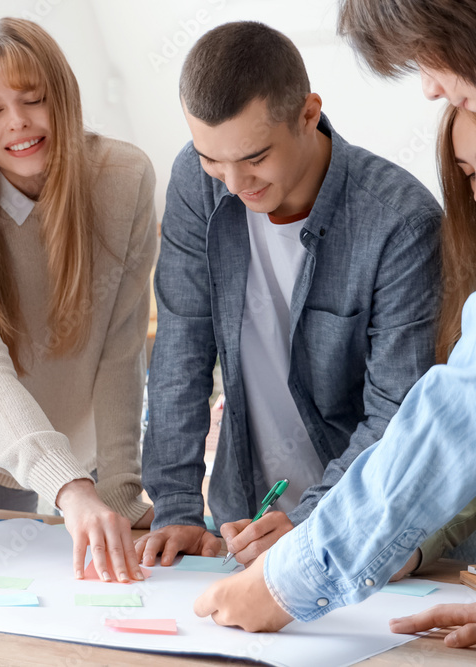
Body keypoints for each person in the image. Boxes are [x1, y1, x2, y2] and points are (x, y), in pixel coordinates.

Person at [194, 1, 476, 648]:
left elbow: (444, 416)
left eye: (430, 58)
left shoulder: (399, 220)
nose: (430, 87)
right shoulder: (199, 184)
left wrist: (287, 582)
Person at [137, 21, 442, 570]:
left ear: (307, 113)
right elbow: (181, 342)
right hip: (240, 521)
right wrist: (178, 505)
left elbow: (397, 413)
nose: (232, 183)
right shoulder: (195, 178)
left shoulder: (402, 222)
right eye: (213, 159)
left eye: (254, 158)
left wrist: (312, 525)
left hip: (365, 534)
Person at [0, 18, 158, 583]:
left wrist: (119, 493)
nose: (16, 123)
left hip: (90, 441)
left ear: (62, 97)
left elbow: (121, 349)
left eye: (33, 99)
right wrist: (70, 488)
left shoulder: (124, 178)